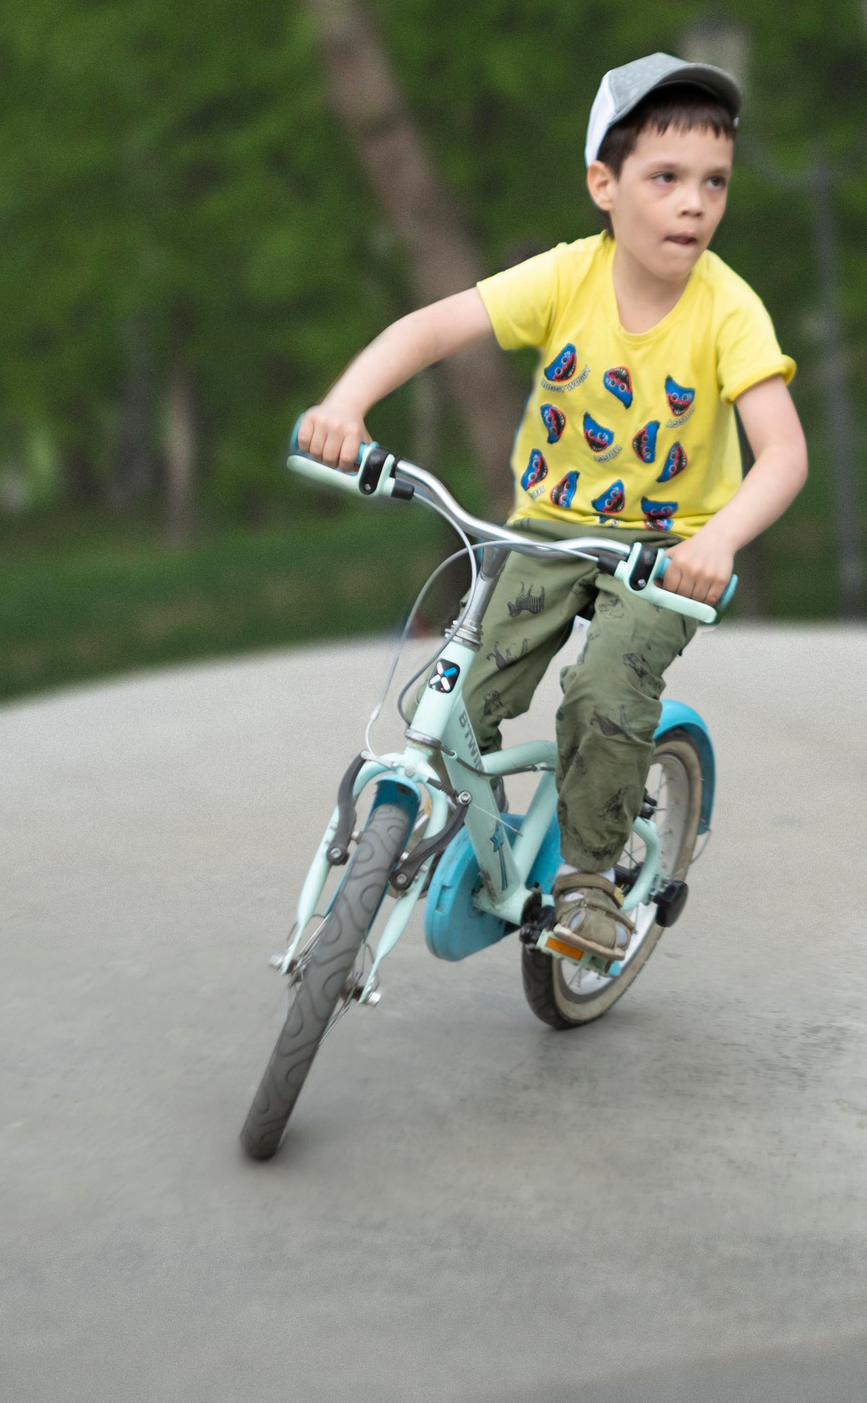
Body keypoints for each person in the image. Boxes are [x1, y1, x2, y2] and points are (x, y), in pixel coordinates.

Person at [295, 52, 807, 958]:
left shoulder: (729, 311)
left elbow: (785, 453)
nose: (694, 203)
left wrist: (720, 540)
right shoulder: (567, 277)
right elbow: (432, 327)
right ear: (604, 185)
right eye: (666, 178)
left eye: (714, 182)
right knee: (454, 698)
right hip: (548, 527)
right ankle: (453, 839)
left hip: (666, 550)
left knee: (604, 691)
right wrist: (346, 404)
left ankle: (591, 882)